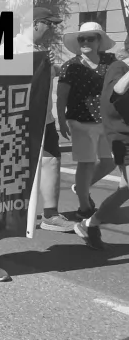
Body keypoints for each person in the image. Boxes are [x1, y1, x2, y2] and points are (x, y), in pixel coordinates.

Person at [13, 7, 73, 232]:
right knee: (16, 168)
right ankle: (12, 214)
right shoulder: (12, 47)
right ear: (36, 23)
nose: (52, 28)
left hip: (45, 118)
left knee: (52, 160)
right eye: (50, 23)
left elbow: (45, 76)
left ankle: (50, 214)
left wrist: (56, 67)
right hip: (20, 119)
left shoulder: (40, 49)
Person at [57, 22, 118, 218]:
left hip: (106, 121)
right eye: (81, 38)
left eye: (90, 38)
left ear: (99, 40)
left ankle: (81, 187)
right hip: (80, 122)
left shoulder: (110, 61)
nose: (85, 42)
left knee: (110, 162)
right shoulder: (71, 66)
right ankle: (84, 208)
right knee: (86, 163)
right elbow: (62, 96)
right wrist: (61, 119)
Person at [75, 35, 129, 250]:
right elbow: (118, 91)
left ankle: (90, 224)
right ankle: (89, 223)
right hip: (122, 137)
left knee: (125, 189)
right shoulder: (119, 66)